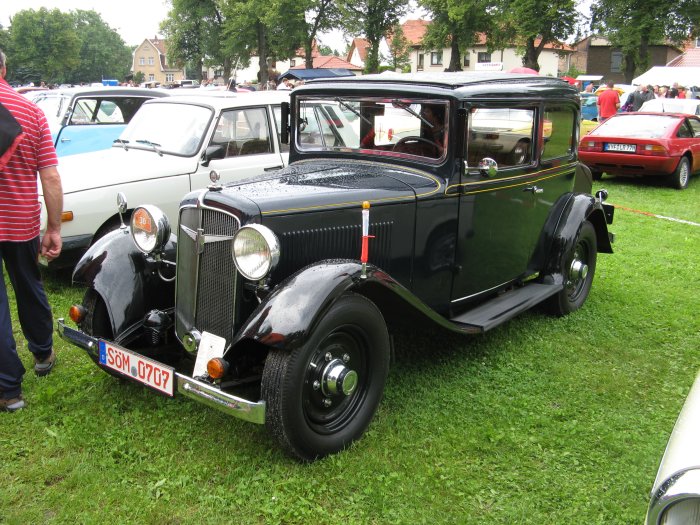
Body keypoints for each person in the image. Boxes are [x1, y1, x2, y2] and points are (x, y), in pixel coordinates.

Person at [0, 49, 63, 412]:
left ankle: (8, 390)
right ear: (5, 68)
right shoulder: (31, 111)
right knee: (28, 284)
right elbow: (50, 175)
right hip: (21, 220)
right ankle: (42, 354)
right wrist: (54, 226)